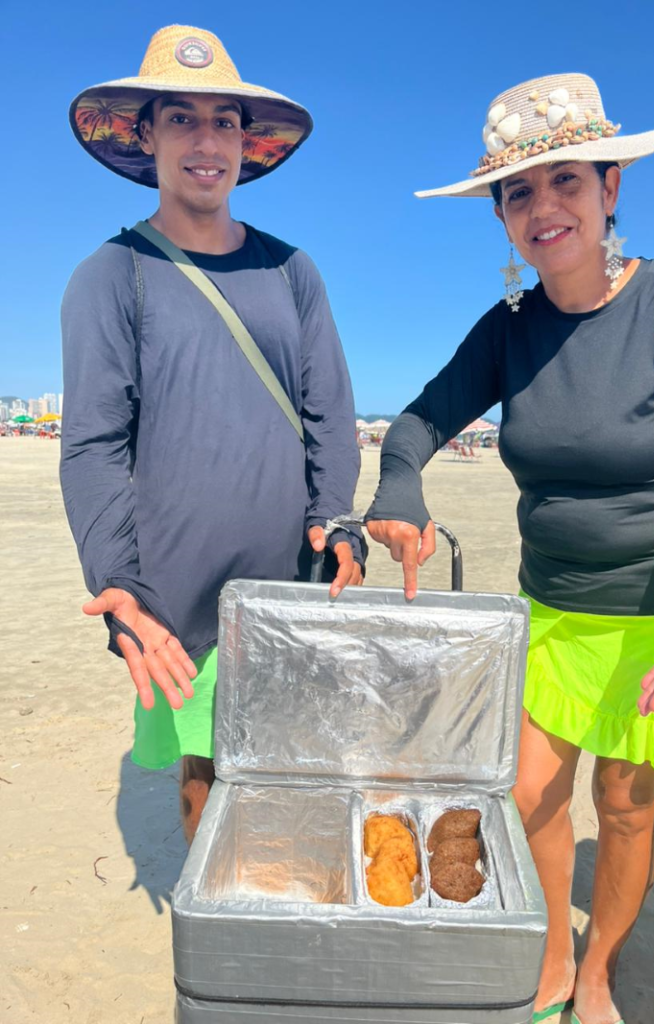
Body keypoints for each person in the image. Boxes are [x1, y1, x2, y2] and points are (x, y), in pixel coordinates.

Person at [365, 73, 654, 1024]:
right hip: (551, 610)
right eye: (519, 192)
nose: (544, 207)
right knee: (531, 793)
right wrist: (399, 487)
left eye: (567, 182)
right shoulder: (507, 332)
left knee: (627, 808)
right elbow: (417, 422)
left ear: (611, 187)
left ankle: (598, 976)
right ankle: (552, 952)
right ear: (503, 214)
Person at [61, 25, 363, 844]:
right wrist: (116, 582)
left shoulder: (291, 270)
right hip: (175, 596)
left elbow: (329, 413)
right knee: (207, 788)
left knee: (289, 773)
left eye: (224, 121)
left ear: (244, 142)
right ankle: (218, 965)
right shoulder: (111, 274)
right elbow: (92, 445)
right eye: (182, 119)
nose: (206, 141)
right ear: (147, 135)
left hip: (291, 583)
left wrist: (336, 518)